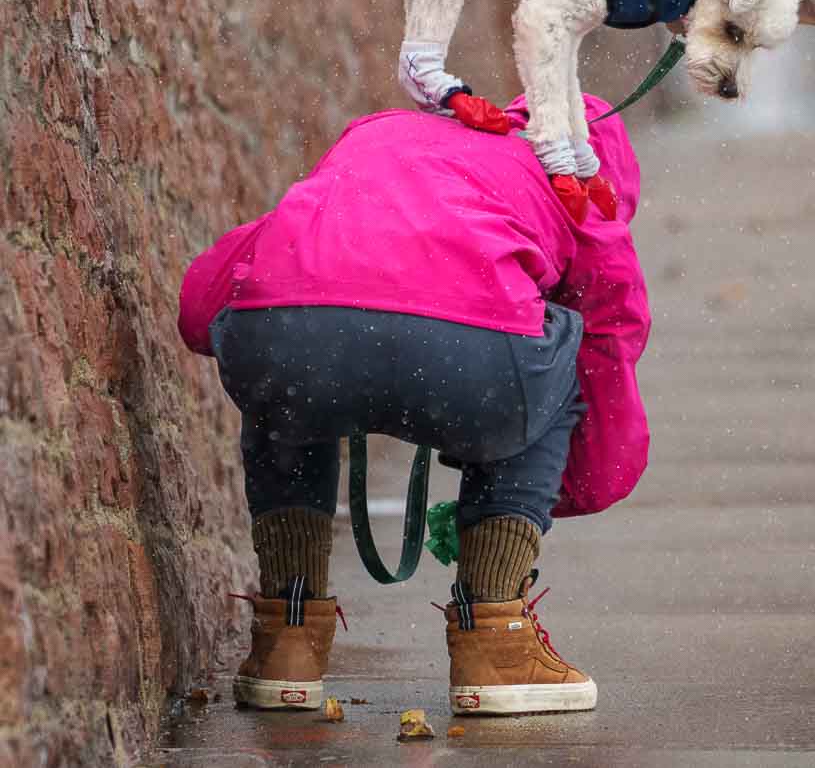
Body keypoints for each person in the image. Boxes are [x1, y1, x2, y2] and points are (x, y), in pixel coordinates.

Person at [176, 94, 650, 716]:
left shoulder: (384, 134)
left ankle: (286, 640)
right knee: (563, 341)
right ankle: (495, 642)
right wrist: (565, 487)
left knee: (284, 340)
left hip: (295, 342)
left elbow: (203, 307)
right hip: (472, 365)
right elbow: (606, 345)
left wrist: (276, 344)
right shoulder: (576, 182)